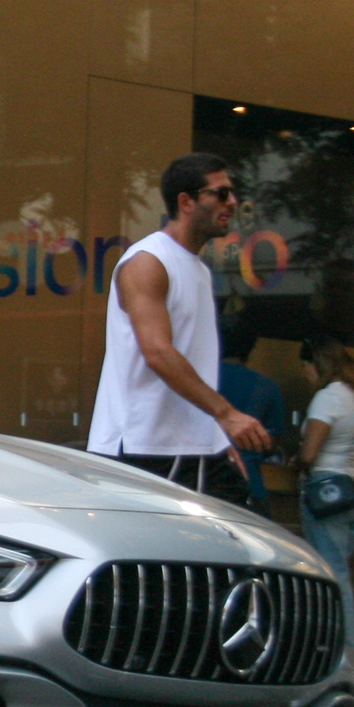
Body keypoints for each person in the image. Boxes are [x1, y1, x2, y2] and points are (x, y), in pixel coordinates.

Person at [85, 153, 270, 503]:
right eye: (220, 193)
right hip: (142, 449)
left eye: (232, 193)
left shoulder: (197, 269)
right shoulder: (148, 262)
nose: (232, 202)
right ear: (186, 202)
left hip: (191, 449)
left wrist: (214, 436)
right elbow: (157, 352)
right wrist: (227, 415)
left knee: (244, 543)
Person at [296, 332, 354, 653]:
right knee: (336, 569)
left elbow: (309, 453)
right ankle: (326, 642)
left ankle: (344, 650)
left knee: (333, 575)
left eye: (305, 366)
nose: (304, 373)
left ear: (317, 365)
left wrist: (297, 461)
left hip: (327, 495)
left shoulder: (328, 397)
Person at [216, 321, 289, 515]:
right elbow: (271, 443)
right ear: (251, 349)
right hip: (250, 482)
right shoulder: (267, 386)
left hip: (200, 481)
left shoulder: (196, 383)